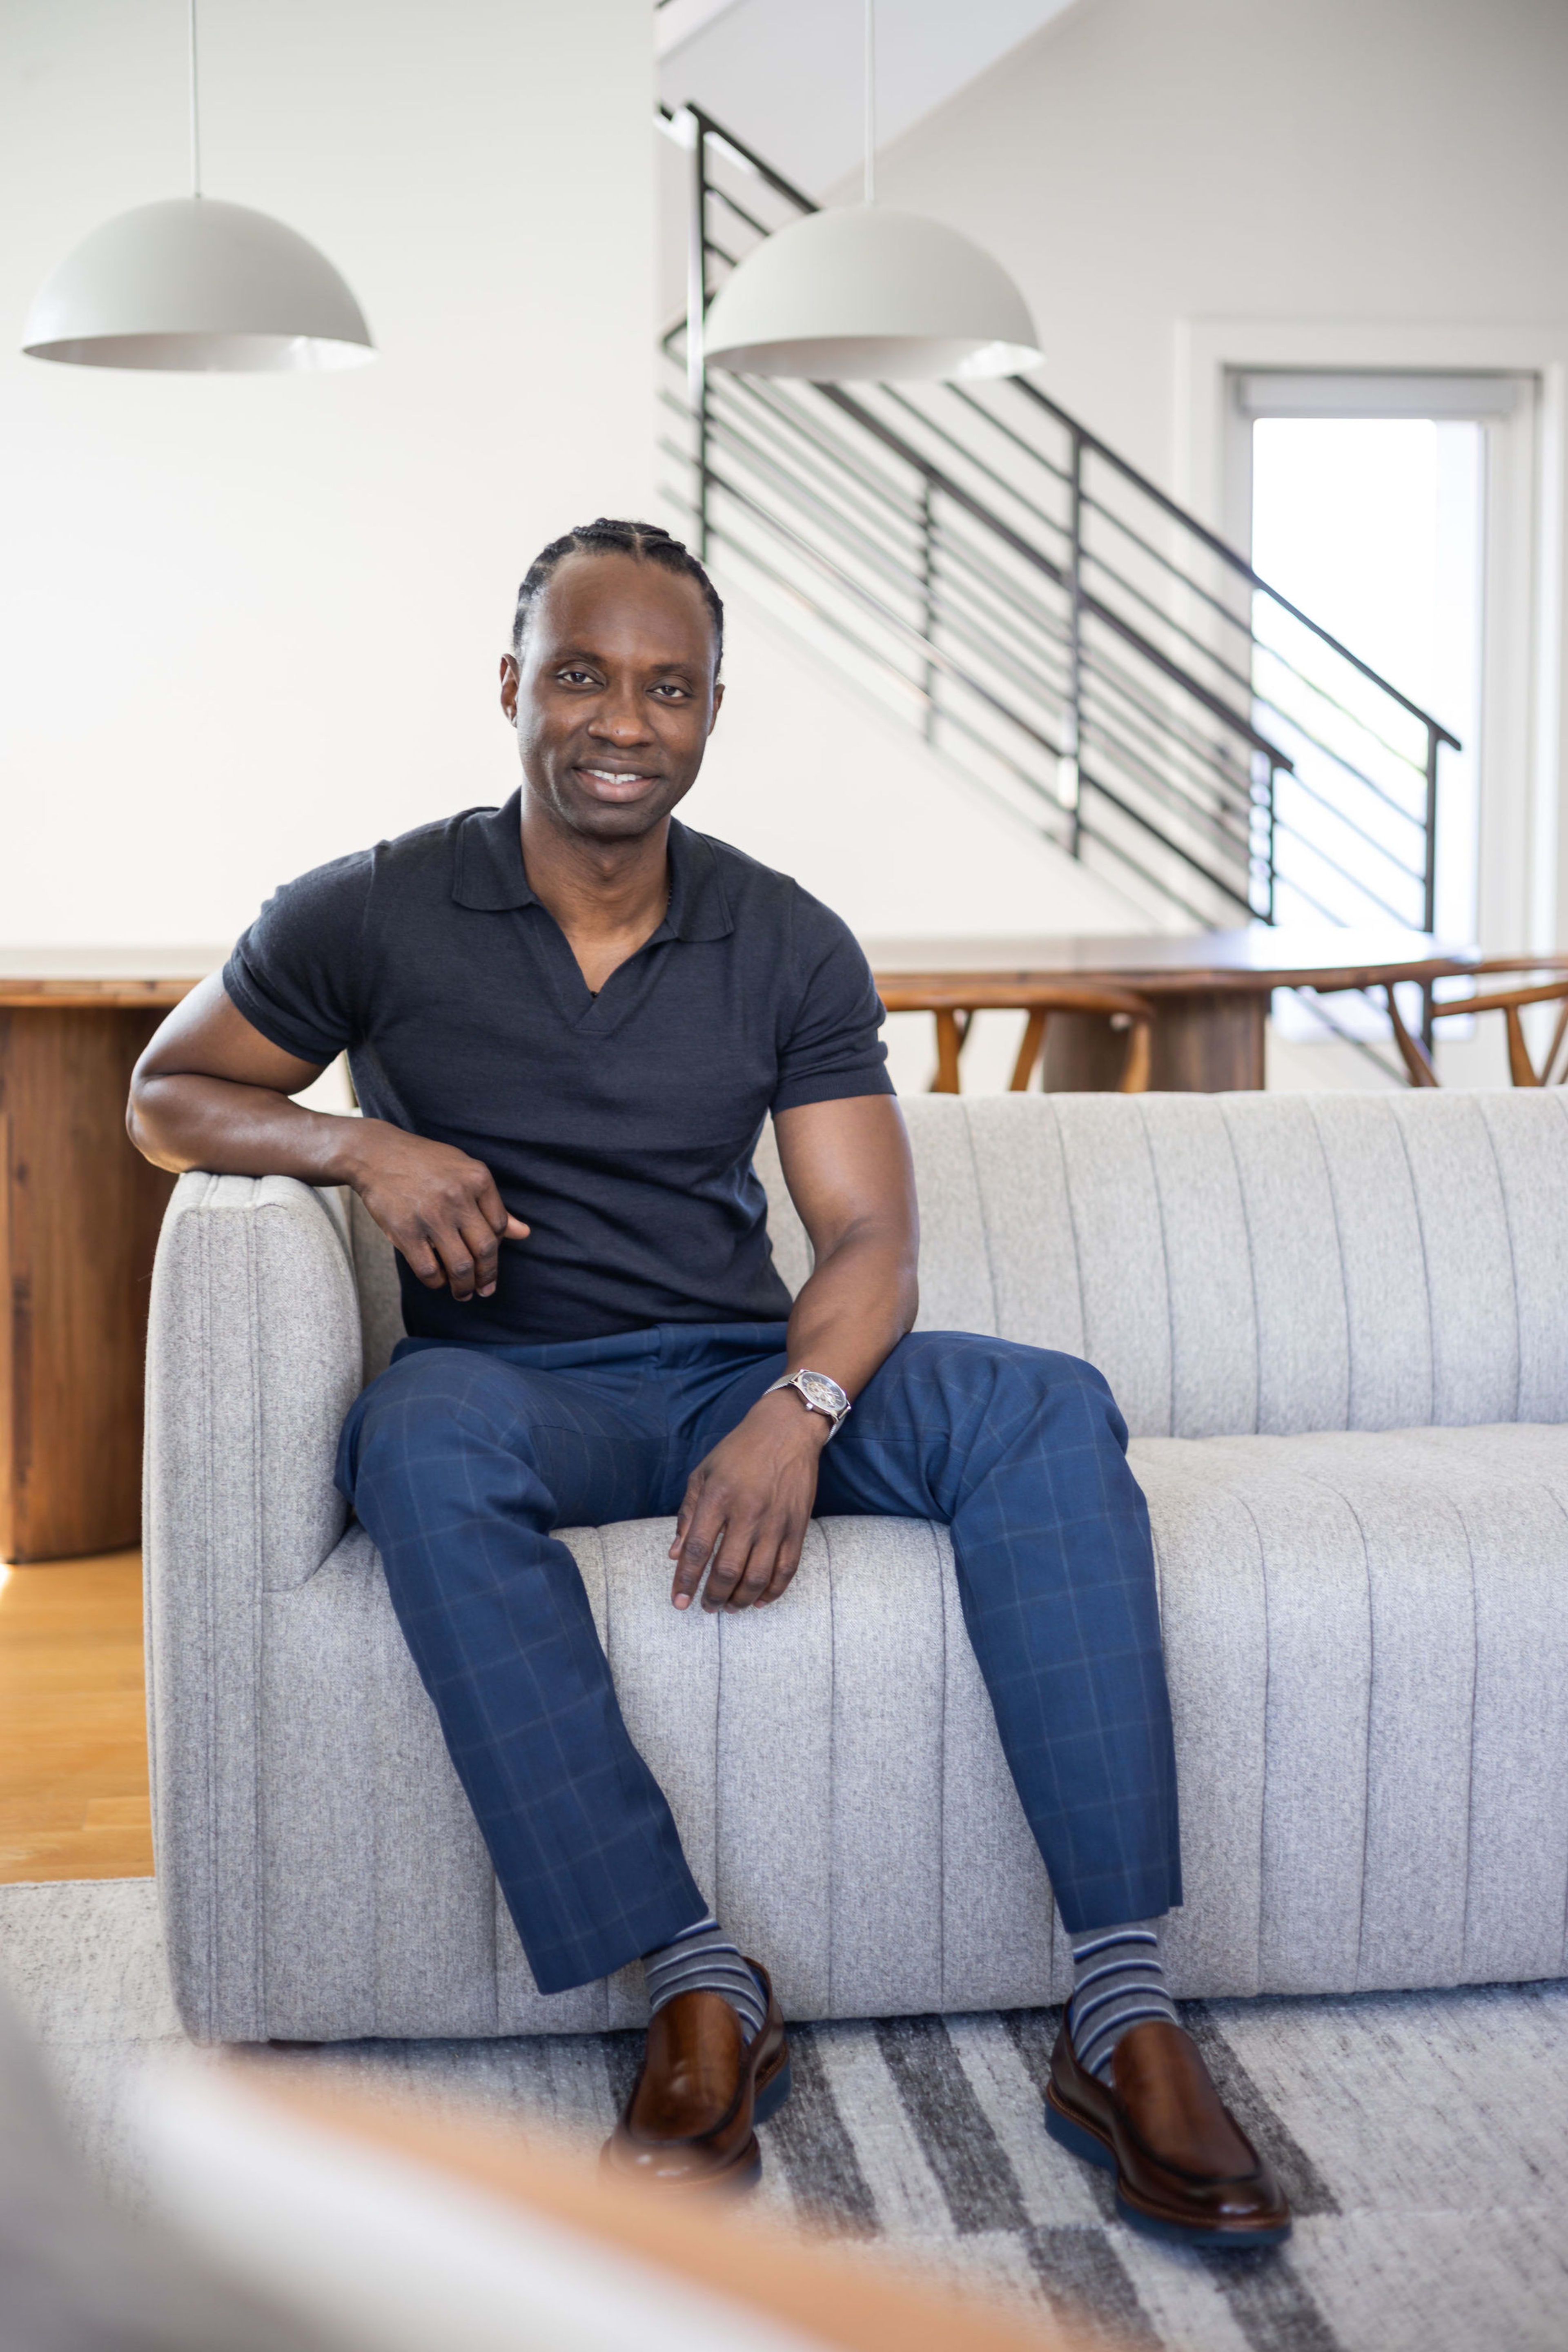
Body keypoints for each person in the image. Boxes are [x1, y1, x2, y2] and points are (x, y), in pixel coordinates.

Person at [128, 519, 1288, 2247]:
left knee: (1043, 1401)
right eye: (583, 675)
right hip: (520, 1391)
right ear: (513, 686)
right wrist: (358, 1142)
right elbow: (168, 1093)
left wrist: (796, 1414)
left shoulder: (785, 938)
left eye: (667, 687)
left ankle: (1120, 2012)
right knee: (412, 1437)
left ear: (712, 711)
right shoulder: (374, 906)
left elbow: (871, 1242)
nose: (623, 719)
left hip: (736, 1373)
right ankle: (695, 1980)